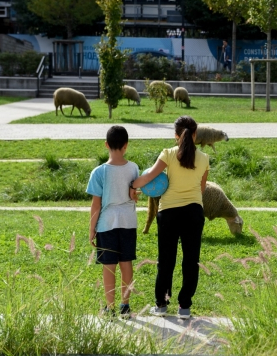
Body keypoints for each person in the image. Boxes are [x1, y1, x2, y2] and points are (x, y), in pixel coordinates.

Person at [131, 115, 209, 319]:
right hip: (194, 213)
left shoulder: (168, 154)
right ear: (195, 134)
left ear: (176, 135)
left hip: (169, 214)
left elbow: (148, 178)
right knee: (191, 261)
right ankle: (184, 307)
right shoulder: (204, 159)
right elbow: (201, 189)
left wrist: (131, 185)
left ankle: (162, 305)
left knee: (166, 261)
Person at [86, 125, 139, 319]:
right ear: (126, 145)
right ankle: (125, 306)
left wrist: (92, 229)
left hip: (107, 224)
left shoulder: (98, 172)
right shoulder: (133, 168)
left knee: (109, 266)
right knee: (127, 263)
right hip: (129, 222)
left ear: (106, 144)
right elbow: (134, 195)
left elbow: (96, 205)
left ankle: (109, 308)